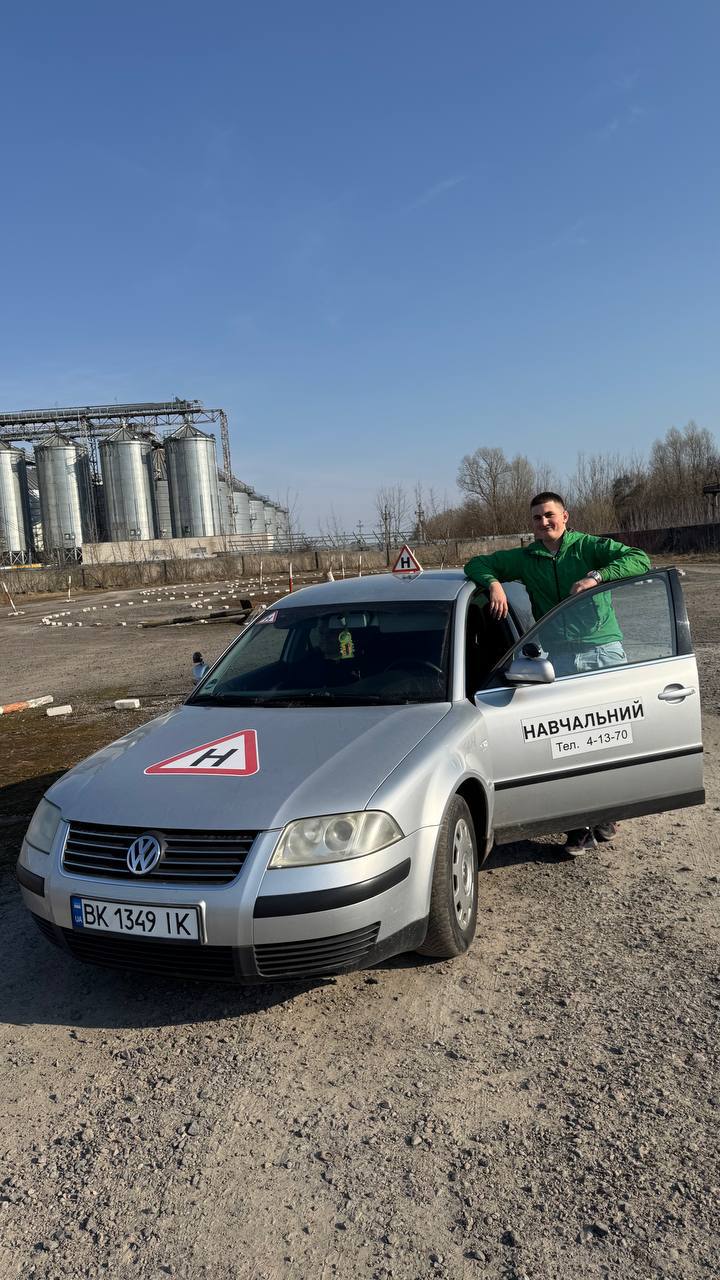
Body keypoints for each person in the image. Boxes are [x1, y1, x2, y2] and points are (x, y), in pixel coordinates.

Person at [464, 491, 651, 856]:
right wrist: (494, 583)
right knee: (568, 744)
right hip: (559, 657)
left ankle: (606, 812)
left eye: (549, 515)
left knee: (610, 737)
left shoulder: (588, 548)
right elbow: (477, 563)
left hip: (602, 650)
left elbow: (639, 559)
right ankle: (577, 826)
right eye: (537, 518)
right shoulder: (526, 558)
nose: (544, 522)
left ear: (565, 516)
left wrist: (596, 576)